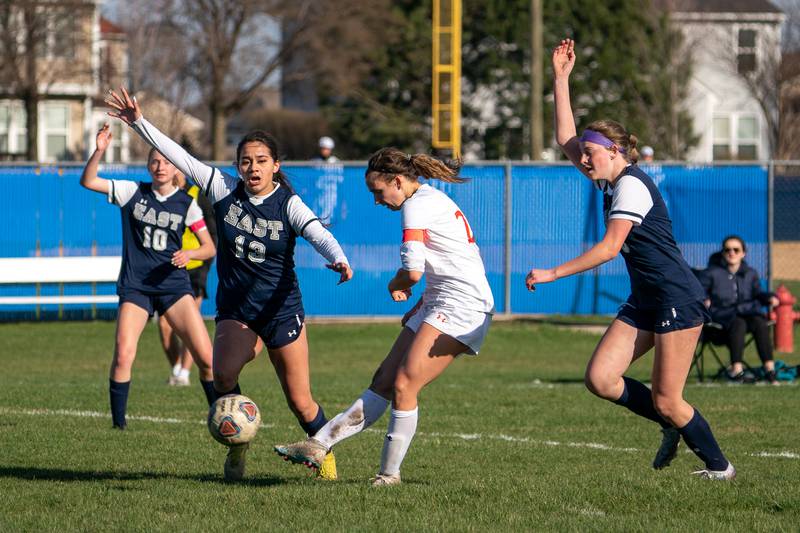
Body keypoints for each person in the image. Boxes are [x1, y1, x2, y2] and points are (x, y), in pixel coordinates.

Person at [105, 87, 353, 482]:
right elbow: (179, 155)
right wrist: (138, 123)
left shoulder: (287, 203)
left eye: (261, 161)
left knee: (301, 402)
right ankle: (238, 445)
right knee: (221, 376)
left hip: (280, 310)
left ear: (275, 165)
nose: (253, 168)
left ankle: (325, 458)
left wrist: (337, 256)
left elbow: (316, 232)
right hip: (238, 311)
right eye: (246, 161)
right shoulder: (223, 190)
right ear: (238, 166)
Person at [524, 39, 735, 480]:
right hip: (646, 299)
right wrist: (561, 79)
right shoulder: (609, 178)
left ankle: (720, 467)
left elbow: (609, 248)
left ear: (615, 152)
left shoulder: (632, 186)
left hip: (677, 299)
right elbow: (566, 138)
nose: (582, 159)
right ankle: (671, 426)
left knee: (668, 400)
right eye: (585, 154)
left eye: (591, 154)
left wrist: (553, 273)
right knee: (601, 378)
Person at [274, 147, 494, 486]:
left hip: (463, 306)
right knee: (384, 379)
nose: (377, 200)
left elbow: (413, 271)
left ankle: (389, 476)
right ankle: (318, 444)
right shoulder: (427, 199)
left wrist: (396, 284)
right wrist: (421, 303)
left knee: (405, 384)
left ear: (397, 181)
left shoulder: (416, 207)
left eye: (378, 191)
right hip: (441, 300)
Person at [80, 124, 217, 430]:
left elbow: (209, 248)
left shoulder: (187, 204)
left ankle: (221, 417)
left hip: (173, 287)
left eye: (166, 161)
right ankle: (119, 426)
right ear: (148, 166)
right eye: (155, 161)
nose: (160, 166)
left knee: (207, 358)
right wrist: (99, 150)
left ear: (175, 166)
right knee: (123, 354)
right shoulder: (132, 192)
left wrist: (189, 254)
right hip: (137, 288)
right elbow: (88, 181)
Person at [157, 170, 219, 386]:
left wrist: (204, 265)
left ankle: (184, 372)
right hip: (170, 268)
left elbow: (212, 236)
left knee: (189, 324)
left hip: (195, 268)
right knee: (164, 326)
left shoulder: (197, 196)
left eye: (175, 165)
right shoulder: (161, 196)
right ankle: (176, 368)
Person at [701, 235, 779, 384]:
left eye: (736, 250)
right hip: (721, 321)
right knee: (738, 323)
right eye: (727, 250)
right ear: (723, 253)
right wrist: (704, 299)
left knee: (760, 322)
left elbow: (758, 293)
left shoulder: (750, 273)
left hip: (747, 314)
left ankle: (770, 369)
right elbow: (699, 291)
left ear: (743, 253)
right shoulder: (711, 272)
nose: (732, 253)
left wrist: (770, 297)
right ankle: (736, 370)